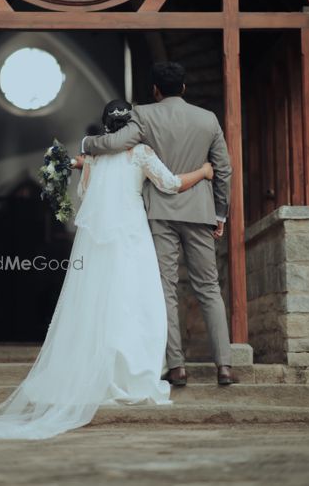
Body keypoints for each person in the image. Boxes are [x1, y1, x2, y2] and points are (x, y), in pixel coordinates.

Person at [0, 99, 213, 442]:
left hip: (101, 241)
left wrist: (88, 168)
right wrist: (204, 172)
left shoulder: (94, 157)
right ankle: (131, 376)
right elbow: (171, 183)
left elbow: (84, 195)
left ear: (106, 126)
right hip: (132, 236)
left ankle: (102, 375)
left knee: (98, 303)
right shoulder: (141, 153)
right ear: (131, 126)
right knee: (135, 302)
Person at [82, 62, 234, 386]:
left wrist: (86, 145)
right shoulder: (207, 119)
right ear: (184, 87)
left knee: (166, 289)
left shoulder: (144, 114)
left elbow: (115, 143)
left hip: (160, 213)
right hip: (200, 212)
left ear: (155, 90)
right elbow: (223, 169)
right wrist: (220, 213)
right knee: (209, 288)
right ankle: (224, 365)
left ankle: (177, 366)